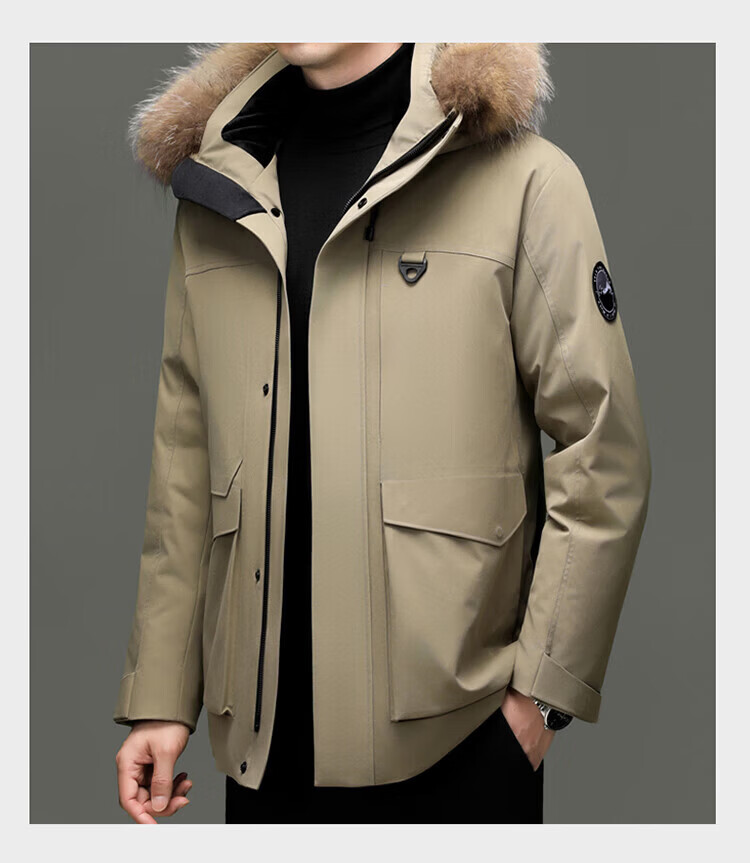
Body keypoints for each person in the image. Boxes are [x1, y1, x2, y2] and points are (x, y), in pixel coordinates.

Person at [113, 42, 651, 825]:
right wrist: (162, 696)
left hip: (461, 739)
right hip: (263, 753)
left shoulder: (525, 180)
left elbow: (602, 447)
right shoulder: (219, 186)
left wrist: (541, 695)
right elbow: (185, 465)